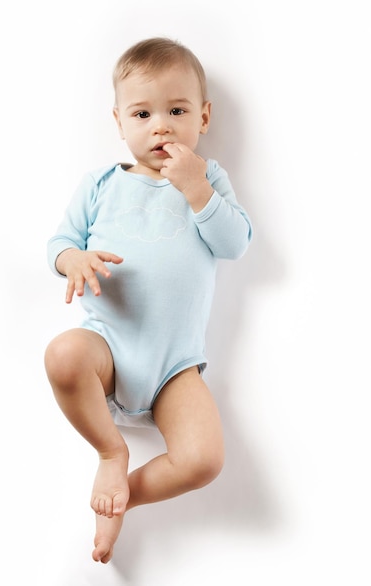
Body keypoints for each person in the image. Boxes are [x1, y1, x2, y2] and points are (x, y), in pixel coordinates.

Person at [44, 36, 252, 564]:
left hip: (174, 368)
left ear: (203, 117)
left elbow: (235, 243)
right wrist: (73, 261)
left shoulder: (208, 180)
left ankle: (122, 498)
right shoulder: (101, 184)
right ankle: (111, 451)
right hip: (107, 348)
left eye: (176, 110)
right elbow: (60, 243)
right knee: (62, 354)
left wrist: (196, 190)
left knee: (203, 460)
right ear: (119, 122)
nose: (160, 125)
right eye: (143, 113)